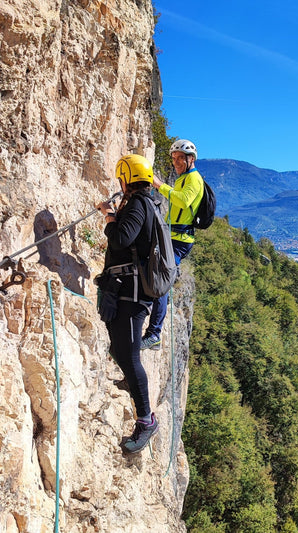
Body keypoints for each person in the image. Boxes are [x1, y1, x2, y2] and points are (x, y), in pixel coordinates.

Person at [96, 153, 159, 454]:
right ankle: (142, 407)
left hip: (131, 293)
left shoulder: (138, 204)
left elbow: (121, 238)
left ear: (125, 177)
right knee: (121, 350)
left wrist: (109, 215)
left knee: (130, 357)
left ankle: (146, 421)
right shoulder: (143, 203)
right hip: (126, 288)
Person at [140, 139, 204, 350]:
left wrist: (159, 185)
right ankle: (147, 313)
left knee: (162, 281)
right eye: (174, 158)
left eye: (180, 158)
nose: (176, 162)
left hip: (180, 240)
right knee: (156, 272)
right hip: (173, 237)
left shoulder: (193, 180)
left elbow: (183, 201)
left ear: (190, 159)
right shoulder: (183, 178)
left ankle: (154, 334)